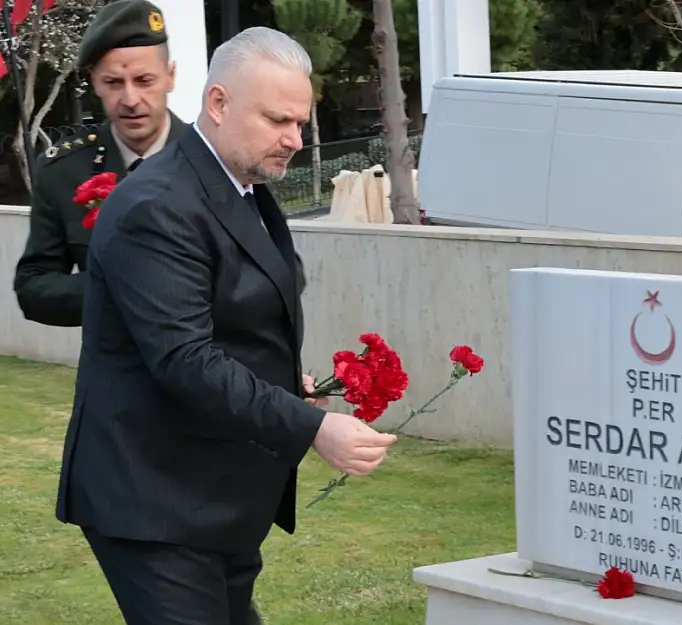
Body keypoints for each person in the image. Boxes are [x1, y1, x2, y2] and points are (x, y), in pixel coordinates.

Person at [54, 27, 396, 625]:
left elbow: (234, 323)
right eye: (277, 121)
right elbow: (186, 359)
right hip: (153, 500)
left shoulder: (245, 189)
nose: (293, 140)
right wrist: (312, 427)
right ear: (217, 103)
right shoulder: (156, 206)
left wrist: (287, 380)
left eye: (300, 123)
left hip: (217, 495)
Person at [12, 0, 188, 327]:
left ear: (170, 77)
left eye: (144, 80)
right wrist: (112, 288)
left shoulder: (213, 160)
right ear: (94, 82)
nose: (131, 99)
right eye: (114, 83)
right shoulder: (63, 171)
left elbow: (271, 270)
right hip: (112, 371)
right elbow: (33, 287)